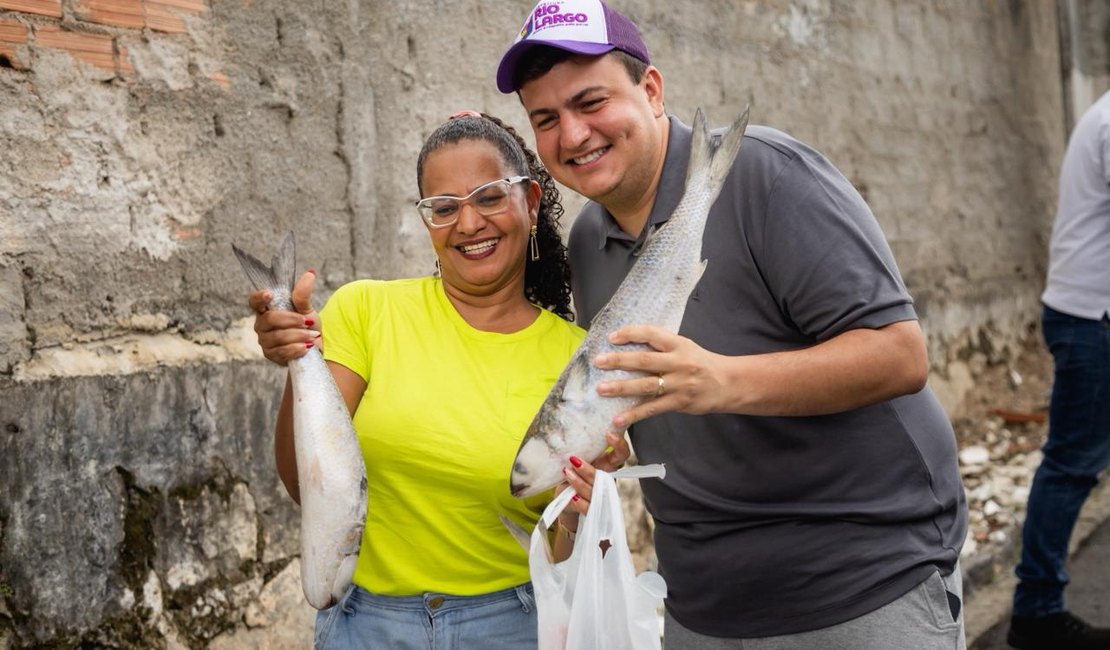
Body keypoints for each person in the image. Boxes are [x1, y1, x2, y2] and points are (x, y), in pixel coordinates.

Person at [495, 1, 969, 648]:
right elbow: (648, 395)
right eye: (545, 118)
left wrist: (722, 381)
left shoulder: (767, 177)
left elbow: (900, 356)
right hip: (702, 608)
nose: (572, 135)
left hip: (862, 590)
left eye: (590, 101)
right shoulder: (587, 240)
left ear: (652, 90)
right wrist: (608, 446)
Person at [247, 112, 628, 649]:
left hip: (514, 626)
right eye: (444, 208)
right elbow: (304, 486)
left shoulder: (577, 358)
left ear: (532, 202)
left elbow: (562, 551)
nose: (469, 224)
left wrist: (585, 504)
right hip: (366, 624)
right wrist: (298, 359)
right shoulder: (366, 310)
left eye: (491, 197)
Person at [1006, 90, 1110, 650]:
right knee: (1072, 466)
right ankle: (1037, 612)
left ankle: (1037, 606)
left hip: (1088, 314)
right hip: (1094, 320)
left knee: (1073, 464)